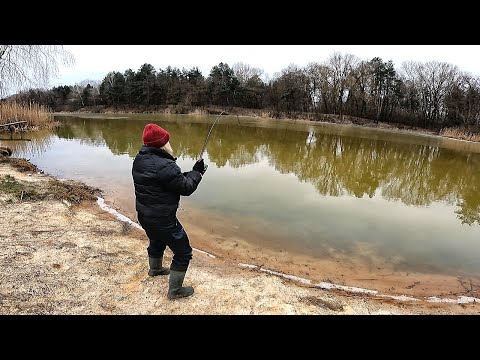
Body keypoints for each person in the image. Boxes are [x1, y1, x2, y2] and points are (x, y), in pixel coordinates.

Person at [132, 123, 207, 300]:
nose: (170, 143)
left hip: (145, 215)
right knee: (183, 252)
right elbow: (186, 188)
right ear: (162, 144)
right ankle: (174, 291)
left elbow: (169, 181)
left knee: (157, 240)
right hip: (163, 219)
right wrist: (197, 173)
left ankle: (155, 269)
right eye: (168, 141)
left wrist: (192, 172)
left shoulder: (140, 159)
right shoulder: (165, 164)